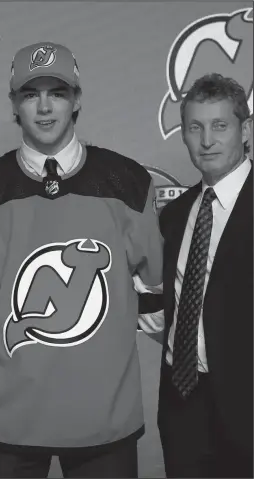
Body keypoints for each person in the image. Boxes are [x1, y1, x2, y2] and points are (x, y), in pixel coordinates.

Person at [0, 42, 163, 478]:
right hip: (9, 423)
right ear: (14, 105)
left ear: (76, 99)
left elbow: (153, 297)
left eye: (57, 92)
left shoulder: (129, 182)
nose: (44, 107)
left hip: (105, 420)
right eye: (30, 94)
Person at [138, 73, 253, 478]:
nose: (207, 140)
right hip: (182, 405)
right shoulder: (173, 215)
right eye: (195, 127)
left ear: (246, 129)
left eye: (220, 126)